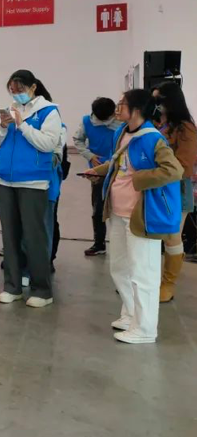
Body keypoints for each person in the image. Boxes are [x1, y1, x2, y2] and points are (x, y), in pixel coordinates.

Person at [85, 89, 182, 344]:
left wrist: (139, 179)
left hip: (142, 216)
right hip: (118, 212)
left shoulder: (153, 139)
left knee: (143, 273)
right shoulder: (122, 132)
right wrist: (98, 171)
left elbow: (174, 170)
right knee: (119, 268)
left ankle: (146, 328)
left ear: (137, 109)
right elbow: (119, 163)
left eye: (122, 104)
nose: (118, 108)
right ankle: (130, 315)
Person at [0, 70, 62, 308]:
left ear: (33, 88)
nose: (16, 94)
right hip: (5, 180)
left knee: (34, 237)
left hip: (33, 182)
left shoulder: (48, 111)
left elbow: (48, 144)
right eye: (12, 90)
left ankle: (42, 289)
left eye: (20, 89)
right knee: (10, 237)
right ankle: (12, 286)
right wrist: (2, 127)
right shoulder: (11, 110)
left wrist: (22, 125)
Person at [152, 82, 197, 302]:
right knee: (153, 235)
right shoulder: (160, 124)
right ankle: (149, 280)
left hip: (176, 189)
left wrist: (156, 172)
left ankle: (168, 284)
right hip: (155, 187)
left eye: (159, 99)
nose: (156, 104)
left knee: (172, 236)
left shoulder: (185, 128)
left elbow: (184, 164)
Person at [73, 97, 119, 256]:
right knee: (98, 209)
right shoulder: (87, 122)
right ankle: (99, 243)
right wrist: (89, 155)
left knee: (120, 209)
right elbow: (77, 140)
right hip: (97, 171)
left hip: (119, 170)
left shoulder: (122, 123)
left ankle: (121, 243)